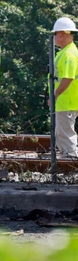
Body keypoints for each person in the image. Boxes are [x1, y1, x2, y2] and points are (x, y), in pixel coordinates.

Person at [50, 17, 78, 158]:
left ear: (61, 34)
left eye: (55, 34)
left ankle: (71, 163)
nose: (54, 37)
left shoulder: (68, 54)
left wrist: (54, 95)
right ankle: (68, 161)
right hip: (66, 100)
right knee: (62, 132)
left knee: (65, 133)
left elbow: (68, 78)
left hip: (67, 100)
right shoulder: (66, 52)